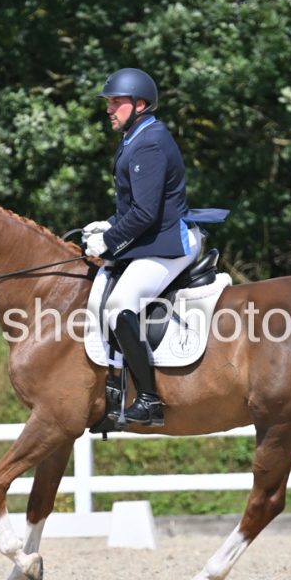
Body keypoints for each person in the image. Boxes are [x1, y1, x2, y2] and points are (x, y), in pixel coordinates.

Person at [84, 68, 203, 427]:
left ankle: (149, 400)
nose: (109, 109)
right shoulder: (136, 135)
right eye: (108, 103)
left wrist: (108, 240)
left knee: (119, 306)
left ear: (139, 104)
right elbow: (134, 205)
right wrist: (108, 224)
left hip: (168, 243)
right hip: (152, 237)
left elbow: (145, 212)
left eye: (116, 102)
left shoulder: (148, 142)